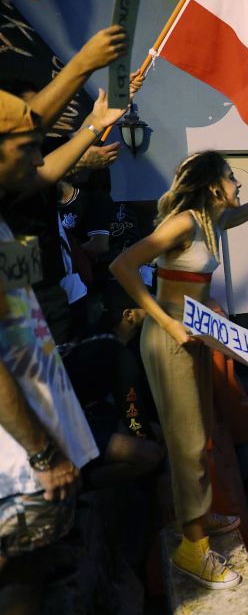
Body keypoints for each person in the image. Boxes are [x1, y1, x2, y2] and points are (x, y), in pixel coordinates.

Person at [111, 140, 248, 589]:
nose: (237, 181)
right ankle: (193, 550)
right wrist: (166, 323)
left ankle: (200, 518)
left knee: (201, 434)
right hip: (170, 340)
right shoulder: (184, 222)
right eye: (230, 176)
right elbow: (124, 265)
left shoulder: (213, 220)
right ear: (212, 186)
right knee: (187, 444)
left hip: (196, 336)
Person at [0, 42, 126, 578]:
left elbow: (19, 330)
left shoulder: (10, 216)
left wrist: (92, 126)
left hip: (39, 395)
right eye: (29, 144)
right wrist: (81, 66)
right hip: (22, 456)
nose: (39, 156)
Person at [59, 282, 163, 490]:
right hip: (67, 431)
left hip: (75, 418)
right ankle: (81, 483)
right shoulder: (118, 355)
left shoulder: (90, 334)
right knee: (152, 453)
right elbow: (133, 417)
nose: (153, 310)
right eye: (146, 306)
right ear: (129, 315)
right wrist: (160, 470)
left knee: (151, 434)